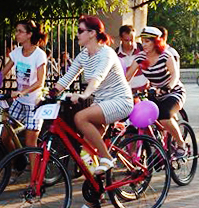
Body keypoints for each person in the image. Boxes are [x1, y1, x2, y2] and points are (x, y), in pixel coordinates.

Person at [54, 16, 134, 173]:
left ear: (92, 33)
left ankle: (107, 158)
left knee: (80, 118)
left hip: (120, 101)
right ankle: (98, 187)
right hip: (101, 103)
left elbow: (98, 77)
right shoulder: (84, 55)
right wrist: (48, 94)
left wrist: (84, 95)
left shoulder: (107, 53)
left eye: (80, 31)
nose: (77, 35)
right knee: (86, 149)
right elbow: (66, 79)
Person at [125, 26, 187, 156]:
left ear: (156, 42)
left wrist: (168, 87)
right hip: (154, 93)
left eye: (147, 41)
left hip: (174, 92)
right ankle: (159, 147)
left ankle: (181, 144)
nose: (144, 44)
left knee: (164, 116)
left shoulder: (166, 55)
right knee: (141, 118)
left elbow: (175, 75)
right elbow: (128, 77)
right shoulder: (141, 57)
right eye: (142, 41)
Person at [0, 19, 48, 153]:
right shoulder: (16, 52)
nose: (16, 34)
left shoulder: (39, 55)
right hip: (19, 102)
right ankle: (18, 162)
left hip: (34, 104)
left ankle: (35, 174)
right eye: (16, 31)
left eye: (20, 31)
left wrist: (22, 92)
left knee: (30, 144)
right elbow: (2, 74)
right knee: (4, 137)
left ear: (29, 34)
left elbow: (40, 82)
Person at [117, 25, 148, 92]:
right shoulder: (116, 56)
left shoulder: (143, 50)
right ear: (121, 38)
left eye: (132, 40)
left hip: (145, 92)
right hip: (128, 94)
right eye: (126, 40)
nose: (130, 43)